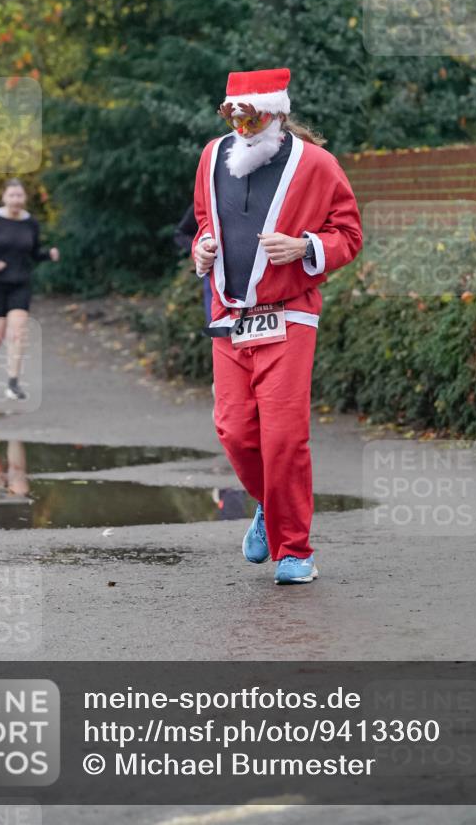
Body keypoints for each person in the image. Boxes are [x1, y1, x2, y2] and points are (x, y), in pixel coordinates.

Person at [192, 68, 362, 585]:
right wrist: (200, 249)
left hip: (289, 313)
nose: (242, 127)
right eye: (233, 116)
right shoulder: (211, 156)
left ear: (278, 115)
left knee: (284, 438)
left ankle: (294, 550)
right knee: (235, 431)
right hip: (230, 316)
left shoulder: (317, 165)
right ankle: (271, 504)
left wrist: (307, 247)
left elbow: (349, 233)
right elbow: (204, 219)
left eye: (253, 117)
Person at [0, 178, 59, 400]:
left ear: (25, 199)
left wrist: (48, 254)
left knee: (18, 332)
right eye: (11, 196)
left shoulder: (31, 223)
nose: (16, 200)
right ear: (4, 198)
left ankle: (13, 383)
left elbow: (34, 252)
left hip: (20, 282)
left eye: (19, 196)